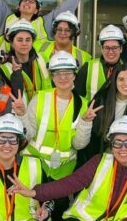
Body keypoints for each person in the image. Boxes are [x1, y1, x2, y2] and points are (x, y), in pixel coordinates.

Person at [16, 51, 98, 181]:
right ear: (52, 77)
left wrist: (86, 122)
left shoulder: (82, 104)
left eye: (67, 73)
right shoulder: (40, 98)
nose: (63, 77)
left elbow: (79, 145)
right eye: (58, 73)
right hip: (34, 167)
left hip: (63, 173)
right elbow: (28, 134)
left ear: (74, 76)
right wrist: (22, 115)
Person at [79, 64, 127, 162]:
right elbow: (85, 142)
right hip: (99, 159)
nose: (126, 83)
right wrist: (85, 121)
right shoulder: (101, 101)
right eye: (121, 79)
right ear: (114, 82)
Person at [1, 19, 49, 101]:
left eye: (28, 40)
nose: (24, 44)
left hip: (44, 111)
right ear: (12, 43)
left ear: (32, 42)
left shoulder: (43, 59)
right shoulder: (4, 69)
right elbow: (6, 98)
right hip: (19, 112)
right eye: (19, 40)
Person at [74, 24, 125, 99]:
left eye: (114, 48)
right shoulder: (88, 67)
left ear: (121, 49)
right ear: (101, 48)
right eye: (106, 48)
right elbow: (77, 97)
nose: (110, 52)